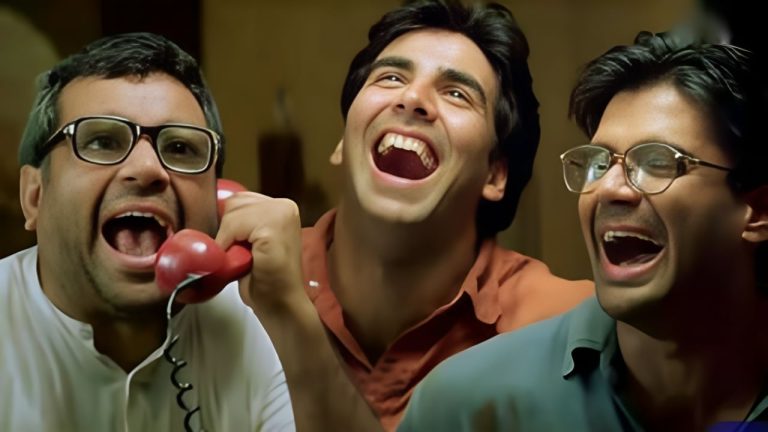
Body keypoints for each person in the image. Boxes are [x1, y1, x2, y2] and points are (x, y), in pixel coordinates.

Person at [227, 1, 592, 430]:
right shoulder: (238, 284)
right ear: (343, 142)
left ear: (494, 174)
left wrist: (291, 319)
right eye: (391, 77)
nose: (413, 99)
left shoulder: (566, 328)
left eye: (456, 93)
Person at [399, 31, 768, 431]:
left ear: (758, 212)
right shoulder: (468, 406)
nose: (608, 188)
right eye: (599, 162)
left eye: (657, 161)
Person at [0, 32, 294, 431]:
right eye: (102, 141)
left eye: (180, 149)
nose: (147, 169)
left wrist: (292, 317)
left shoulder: (261, 327)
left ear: (217, 202)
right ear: (34, 197)